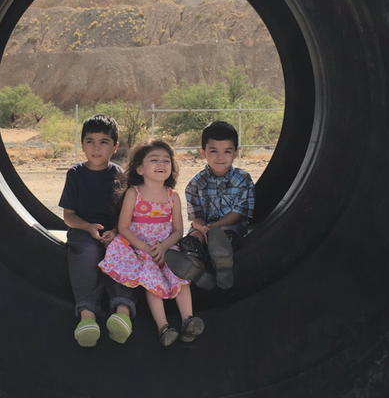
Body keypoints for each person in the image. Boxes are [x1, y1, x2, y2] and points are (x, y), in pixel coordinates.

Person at [99, 140, 204, 347]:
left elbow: (177, 231)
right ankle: (163, 327)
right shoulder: (134, 193)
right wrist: (146, 249)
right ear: (140, 168)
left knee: (179, 275)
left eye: (166, 160)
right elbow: (124, 227)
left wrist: (164, 247)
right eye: (154, 160)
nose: (161, 164)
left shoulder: (172, 196)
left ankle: (188, 319)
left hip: (166, 246)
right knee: (151, 278)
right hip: (139, 247)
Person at [60, 113, 137, 347]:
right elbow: (69, 216)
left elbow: (129, 213)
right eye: (90, 141)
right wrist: (88, 227)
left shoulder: (121, 176)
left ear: (114, 147)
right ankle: (87, 316)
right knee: (86, 254)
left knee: (122, 253)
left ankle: (122, 312)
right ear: (82, 145)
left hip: (116, 232)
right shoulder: (75, 174)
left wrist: (116, 231)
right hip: (84, 232)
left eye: (104, 142)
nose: (96, 148)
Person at [165, 120, 254, 290]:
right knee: (192, 241)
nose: (220, 157)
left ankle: (222, 261)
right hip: (204, 227)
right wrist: (202, 229)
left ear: (236, 153)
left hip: (230, 226)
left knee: (224, 235)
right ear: (203, 152)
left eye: (227, 151)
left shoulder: (243, 179)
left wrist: (214, 229)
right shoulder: (195, 183)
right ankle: (196, 268)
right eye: (213, 151)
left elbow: (238, 213)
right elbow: (196, 216)